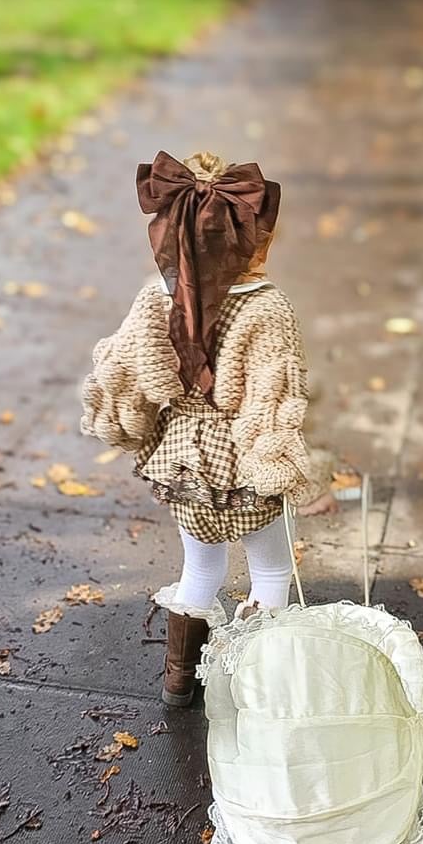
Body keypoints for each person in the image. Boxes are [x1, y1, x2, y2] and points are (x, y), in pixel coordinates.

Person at [80, 149, 320, 706]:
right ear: (255, 240)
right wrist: (275, 463)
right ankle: (259, 688)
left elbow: (125, 371)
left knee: (201, 568)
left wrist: (130, 422)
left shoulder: (155, 297)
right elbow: (272, 395)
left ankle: (178, 682)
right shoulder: (267, 308)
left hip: (185, 458)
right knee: (270, 570)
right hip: (243, 459)